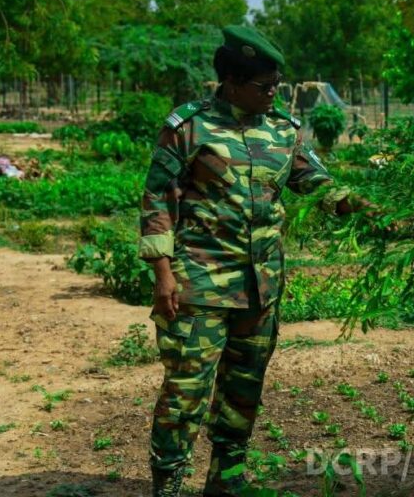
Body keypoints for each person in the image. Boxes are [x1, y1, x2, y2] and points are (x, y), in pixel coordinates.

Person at [139, 25, 367, 497]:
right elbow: (158, 197)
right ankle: (168, 483)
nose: (272, 94)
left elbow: (318, 184)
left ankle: (227, 480)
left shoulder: (282, 129)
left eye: (276, 86)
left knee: (243, 391)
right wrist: (163, 276)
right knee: (185, 394)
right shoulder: (189, 126)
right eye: (264, 87)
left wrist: (367, 208)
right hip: (198, 284)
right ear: (232, 82)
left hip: (261, 287)